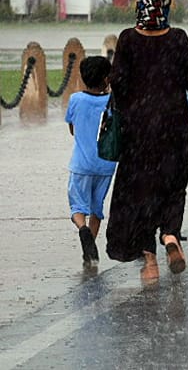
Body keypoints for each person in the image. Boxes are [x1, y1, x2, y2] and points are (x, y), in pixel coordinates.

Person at [105, 0, 188, 281]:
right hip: (174, 126)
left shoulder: (128, 40)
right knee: (173, 186)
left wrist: (128, 115)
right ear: (166, 8)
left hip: (139, 132)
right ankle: (171, 236)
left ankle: (150, 261)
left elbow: (118, 86)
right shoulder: (177, 39)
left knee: (142, 191)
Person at [64, 56, 116, 266]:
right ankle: (90, 251)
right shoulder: (113, 101)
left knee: (78, 206)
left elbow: (71, 128)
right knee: (97, 208)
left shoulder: (76, 99)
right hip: (106, 165)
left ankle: (83, 231)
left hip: (81, 165)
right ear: (106, 78)